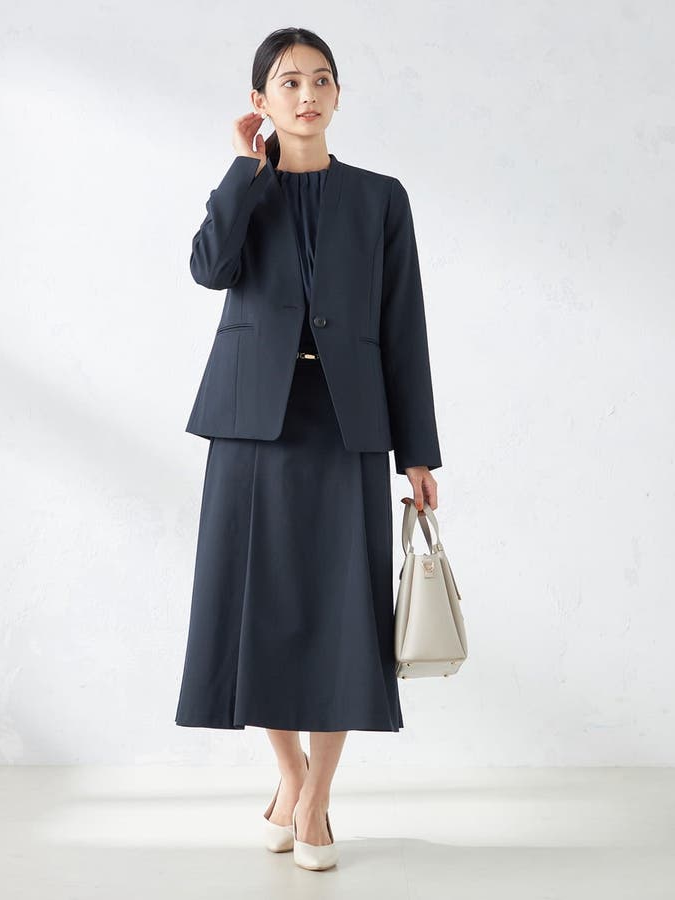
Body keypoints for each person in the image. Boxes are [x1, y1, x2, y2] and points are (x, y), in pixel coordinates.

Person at [174, 27, 443, 871]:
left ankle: (318, 797)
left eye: (321, 80)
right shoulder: (246, 190)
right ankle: (288, 775)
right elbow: (209, 268)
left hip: (348, 425)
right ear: (261, 101)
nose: (307, 95)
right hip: (252, 424)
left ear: (337, 94)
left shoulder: (380, 199)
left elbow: (404, 327)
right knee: (257, 608)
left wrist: (418, 453)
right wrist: (242, 169)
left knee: (342, 613)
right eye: (288, 82)